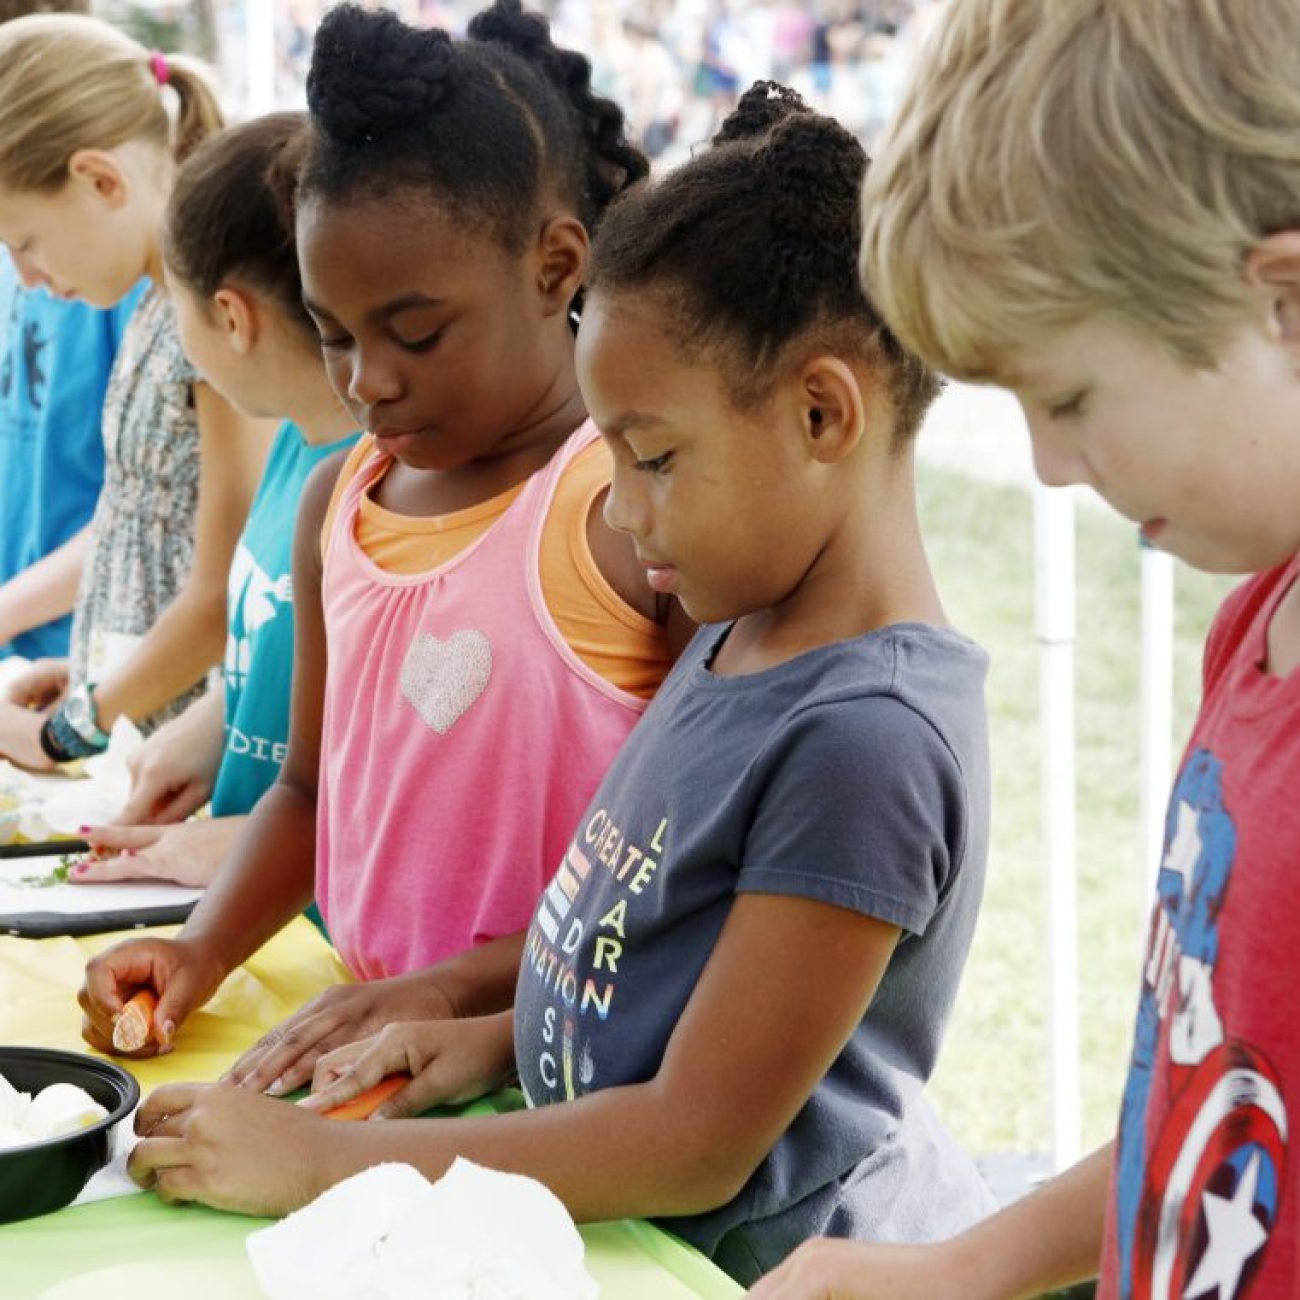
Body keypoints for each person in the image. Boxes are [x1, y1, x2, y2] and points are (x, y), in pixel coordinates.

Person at [123, 81, 995, 1287]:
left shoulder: (866, 740)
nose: (623, 512)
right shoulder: (737, 635)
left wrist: (324, 1166)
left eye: (651, 458)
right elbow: (634, 949)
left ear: (820, 411)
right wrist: (484, 1032)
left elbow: (695, 1141)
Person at [747, 2, 1300, 1298]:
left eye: (1070, 399)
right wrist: (961, 1269)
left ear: (1282, 300)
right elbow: (1213, 1105)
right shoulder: (1251, 631)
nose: (1049, 468)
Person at [79, 1, 681, 1088]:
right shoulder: (336, 502)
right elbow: (308, 793)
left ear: (555, 267)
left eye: (415, 332)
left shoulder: (626, 513)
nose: (368, 379)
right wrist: (199, 947)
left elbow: (676, 883)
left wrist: (444, 998)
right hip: (362, 1056)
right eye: (334, 334)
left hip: (550, 1079)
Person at [67, 114, 361, 885]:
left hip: (318, 939)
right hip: (236, 914)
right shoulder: (296, 439)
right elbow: (287, 664)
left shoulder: (375, 482)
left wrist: (241, 844)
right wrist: (210, 730)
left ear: (230, 316)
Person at [0, 13, 274, 768]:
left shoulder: (216, 320)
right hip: (126, 732)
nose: (27, 278)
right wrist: (95, 677)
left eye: (25, 242)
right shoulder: (157, 304)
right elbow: (141, 523)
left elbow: (221, 596)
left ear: (99, 179)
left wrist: (68, 729)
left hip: (174, 765)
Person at [0, 0, 143, 664]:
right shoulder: (32, 246)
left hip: (83, 659)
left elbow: (151, 508)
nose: (26, 271)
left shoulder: (116, 276)